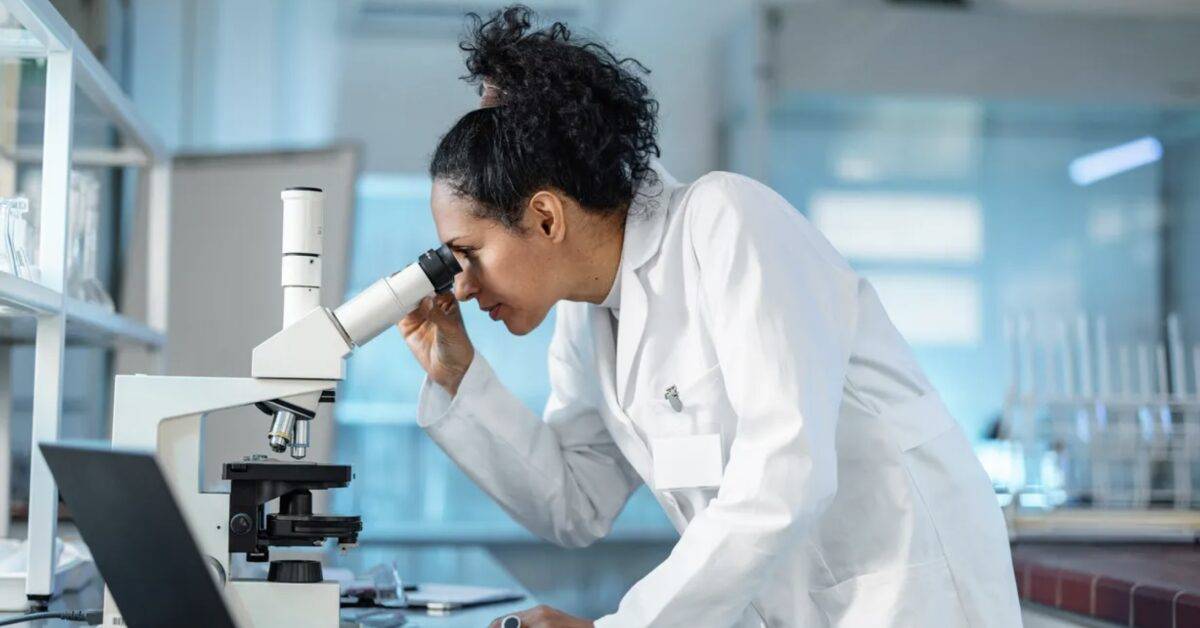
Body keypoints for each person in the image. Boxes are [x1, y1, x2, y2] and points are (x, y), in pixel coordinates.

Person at [399, 6, 1021, 627]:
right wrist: (458, 378)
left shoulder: (727, 222)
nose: (465, 286)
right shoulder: (587, 316)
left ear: (546, 218)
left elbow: (786, 473)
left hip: (908, 600)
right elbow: (576, 502)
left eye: (468, 253)